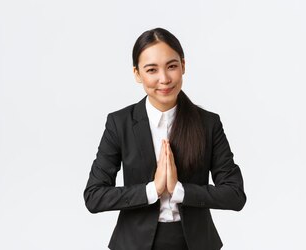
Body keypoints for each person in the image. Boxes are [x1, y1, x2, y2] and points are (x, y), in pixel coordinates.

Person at [83, 27, 246, 250]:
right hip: (134, 243)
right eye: (151, 70)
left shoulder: (208, 123)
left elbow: (235, 194)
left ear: (183, 66)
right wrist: (153, 189)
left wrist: (180, 190)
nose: (164, 79)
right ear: (137, 74)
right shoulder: (119, 123)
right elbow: (94, 196)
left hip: (195, 243)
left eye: (172, 66)